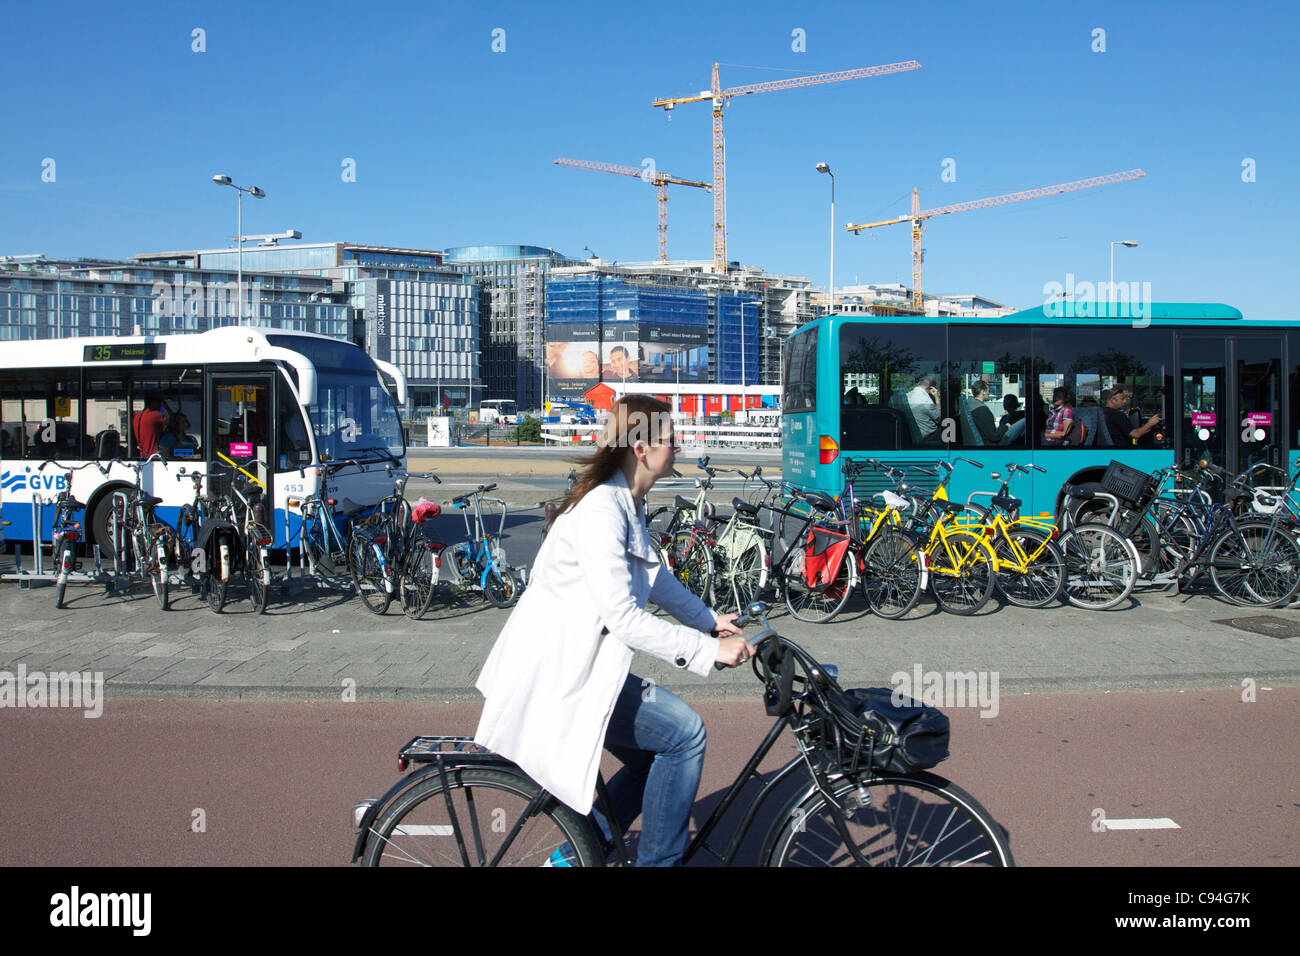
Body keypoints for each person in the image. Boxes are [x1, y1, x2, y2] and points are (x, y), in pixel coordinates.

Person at [474, 395, 748, 866]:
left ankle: (577, 854)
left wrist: (707, 620)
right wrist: (707, 651)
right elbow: (623, 617)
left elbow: (653, 575)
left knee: (649, 758)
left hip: (582, 663)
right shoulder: (604, 508)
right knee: (685, 735)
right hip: (562, 673)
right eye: (670, 438)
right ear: (640, 448)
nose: (678, 445)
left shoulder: (627, 500)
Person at [906, 374, 942, 440]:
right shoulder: (926, 401)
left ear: (918, 384)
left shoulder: (908, 395)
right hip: (930, 436)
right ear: (931, 388)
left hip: (914, 434)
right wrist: (937, 398)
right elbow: (940, 418)